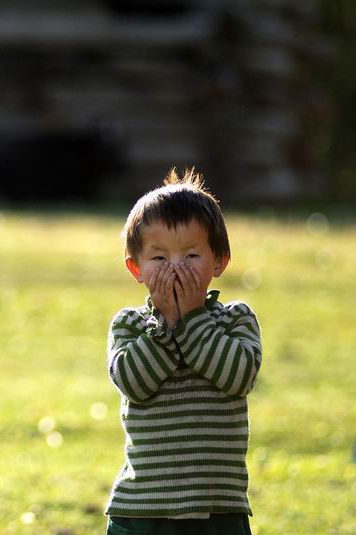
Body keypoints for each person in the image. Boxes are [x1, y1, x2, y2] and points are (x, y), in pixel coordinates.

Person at [104, 168, 261, 535]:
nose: (175, 268)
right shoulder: (130, 326)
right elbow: (133, 383)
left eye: (191, 255)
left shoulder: (235, 321)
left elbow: (238, 377)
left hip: (218, 508)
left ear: (219, 261)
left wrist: (192, 319)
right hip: (144, 508)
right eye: (159, 259)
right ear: (136, 267)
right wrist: (167, 325)